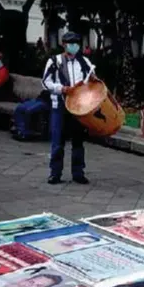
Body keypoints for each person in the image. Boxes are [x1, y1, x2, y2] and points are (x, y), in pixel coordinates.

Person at [42, 31, 94, 185]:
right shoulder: (55, 61)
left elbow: (93, 79)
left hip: (79, 108)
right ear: (64, 45)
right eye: (71, 43)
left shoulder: (84, 61)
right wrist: (62, 89)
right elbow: (45, 82)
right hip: (60, 106)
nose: (74, 46)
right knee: (58, 141)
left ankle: (78, 173)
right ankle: (55, 173)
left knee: (78, 142)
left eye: (76, 43)